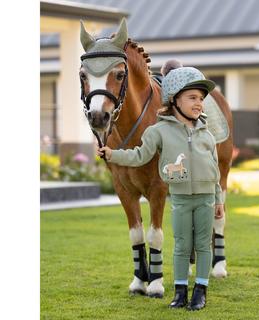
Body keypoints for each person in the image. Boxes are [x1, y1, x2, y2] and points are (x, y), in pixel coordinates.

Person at [97, 64, 225, 311]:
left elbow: (215, 170)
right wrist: (113, 154)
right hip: (180, 199)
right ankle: (179, 291)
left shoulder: (207, 134)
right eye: (193, 98)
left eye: (201, 98)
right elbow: (138, 155)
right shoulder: (158, 132)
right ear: (174, 100)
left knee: (201, 245)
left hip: (207, 198)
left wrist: (218, 199)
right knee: (180, 245)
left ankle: (200, 290)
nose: (199, 103)